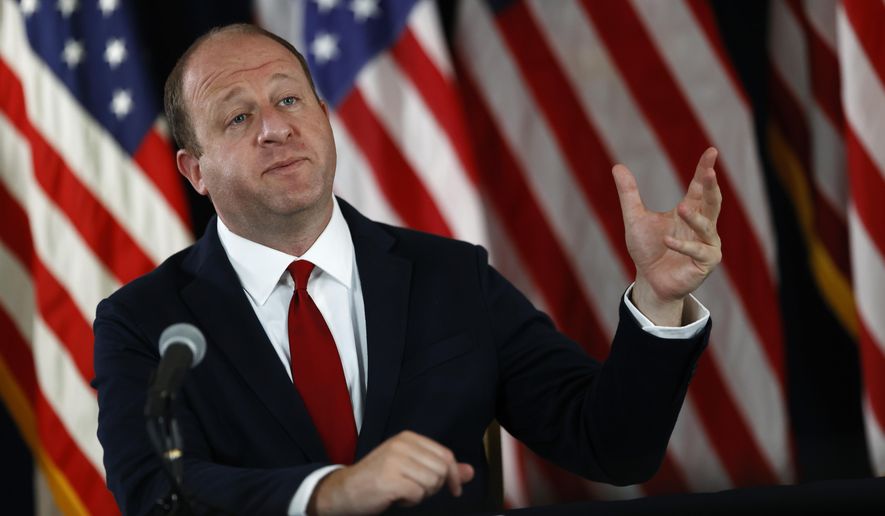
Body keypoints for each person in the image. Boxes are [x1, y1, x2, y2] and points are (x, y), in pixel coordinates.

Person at [93, 23, 722, 515]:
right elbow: (156, 493)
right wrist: (327, 494)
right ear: (195, 171)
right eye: (238, 116)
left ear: (324, 117)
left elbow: (611, 446)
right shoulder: (145, 321)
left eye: (289, 98)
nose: (276, 129)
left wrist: (659, 301)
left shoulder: (451, 277)